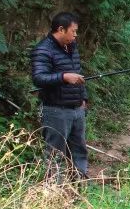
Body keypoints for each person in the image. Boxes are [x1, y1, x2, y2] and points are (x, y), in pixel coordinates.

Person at [31, 11, 89, 179]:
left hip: (77, 109)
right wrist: (64, 77)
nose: (75, 35)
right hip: (56, 110)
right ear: (61, 29)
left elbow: (78, 74)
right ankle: (54, 194)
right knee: (55, 153)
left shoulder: (72, 47)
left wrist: (83, 98)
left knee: (79, 150)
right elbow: (38, 78)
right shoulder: (43, 50)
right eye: (73, 31)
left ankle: (80, 187)